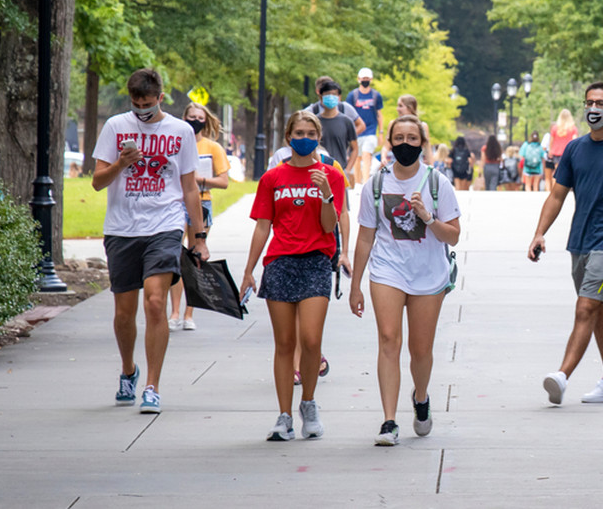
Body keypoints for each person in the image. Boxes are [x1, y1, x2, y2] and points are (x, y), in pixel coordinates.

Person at [91, 68, 208, 414]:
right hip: (123, 228)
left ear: (160, 97)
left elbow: (189, 188)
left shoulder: (180, 131)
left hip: (165, 225)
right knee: (124, 313)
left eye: (147, 103)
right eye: (135, 103)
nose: (141, 109)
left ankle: (152, 386)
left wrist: (198, 237)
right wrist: (121, 163)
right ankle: (129, 370)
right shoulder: (115, 127)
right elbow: (98, 181)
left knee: (155, 303)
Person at [528, 82, 603, 405]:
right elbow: (556, 195)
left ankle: (562, 375)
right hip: (580, 240)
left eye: (601, 103)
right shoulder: (575, 149)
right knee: (599, 307)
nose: (594, 108)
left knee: (585, 307)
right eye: (589, 102)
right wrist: (540, 232)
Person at [351, 115, 462, 446]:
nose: (405, 144)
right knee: (388, 339)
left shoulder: (436, 183)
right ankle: (388, 421)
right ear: (389, 142)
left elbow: (453, 236)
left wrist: (427, 216)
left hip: (428, 274)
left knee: (420, 350)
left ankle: (422, 396)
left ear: (423, 144)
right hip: (388, 270)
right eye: (399, 138)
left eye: (412, 139)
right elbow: (366, 238)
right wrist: (355, 284)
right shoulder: (376, 184)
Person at [241, 111, 347, 441]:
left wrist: (326, 194)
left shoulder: (330, 175)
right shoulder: (272, 178)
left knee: (312, 340)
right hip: (280, 262)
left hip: (316, 260)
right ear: (288, 137)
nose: (304, 137)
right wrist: (249, 270)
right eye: (298, 132)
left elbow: (330, 225)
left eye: (310, 132)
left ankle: (309, 403)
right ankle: (284, 415)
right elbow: (262, 226)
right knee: (284, 343)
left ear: (319, 137)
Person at [168, 102, 230, 332]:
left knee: (194, 257)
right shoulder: (175, 143)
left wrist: (198, 180)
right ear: (183, 118)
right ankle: (174, 312)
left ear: (206, 121)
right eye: (191, 116)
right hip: (176, 200)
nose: (195, 120)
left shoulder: (212, 147)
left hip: (201, 201)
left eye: (200, 117)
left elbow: (223, 181)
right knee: (174, 256)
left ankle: (188, 313)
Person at [308, 80, 360, 187]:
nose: (331, 97)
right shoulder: (314, 122)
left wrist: (348, 169)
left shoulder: (346, 121)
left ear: (339, 97)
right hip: (318, 173)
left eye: (334, 94)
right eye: (327, 95)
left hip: (340, 171)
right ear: (321, 97)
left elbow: (355, 148)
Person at [346, 67, 384, 183]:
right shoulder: (352, 96)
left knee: (367, 155)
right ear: (358, 79)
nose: (365, 80)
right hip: (357, 131)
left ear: (371, 79)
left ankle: (366, 182)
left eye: (367, 78)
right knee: (357, 157)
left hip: (371, 130)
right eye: (363, 78)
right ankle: (358, 183)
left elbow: (379, 114)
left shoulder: (376, 95)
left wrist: (381, 132)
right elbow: (348, 114)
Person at [544, 109, 577, 192]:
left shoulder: (555, 128)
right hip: (568, 152)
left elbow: (551, 140)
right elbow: (574, 141)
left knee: (557, 171)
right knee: (567, 171)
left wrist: (550, 150)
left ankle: (555, 189)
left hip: (557, 152)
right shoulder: (572, 128)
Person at [395, 94, 432, 164]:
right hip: (398, 165)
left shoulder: (423, 126)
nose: (397, 109)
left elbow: (428, 149)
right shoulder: (394, 125)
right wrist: (383, 157)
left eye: (400, 106)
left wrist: (431, 168)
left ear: (410, 108)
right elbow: (386, 147)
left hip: (417, 166)